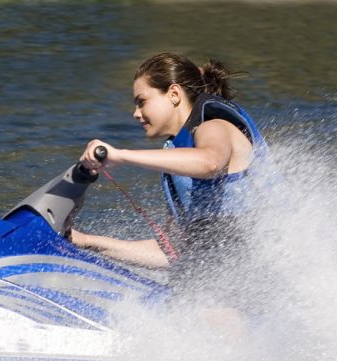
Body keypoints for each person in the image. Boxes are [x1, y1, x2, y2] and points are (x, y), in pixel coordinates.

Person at [71, 52, 271, 326]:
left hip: (261, 274)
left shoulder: (215, 124)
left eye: (142, 102)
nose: (136, 113)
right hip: (225, 278)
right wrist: (87, 242)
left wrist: (121, 155)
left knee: (206, 267)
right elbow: (173, 251)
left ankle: (223, 346)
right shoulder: (178, 155)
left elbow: (210, 162)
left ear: (174, 94)